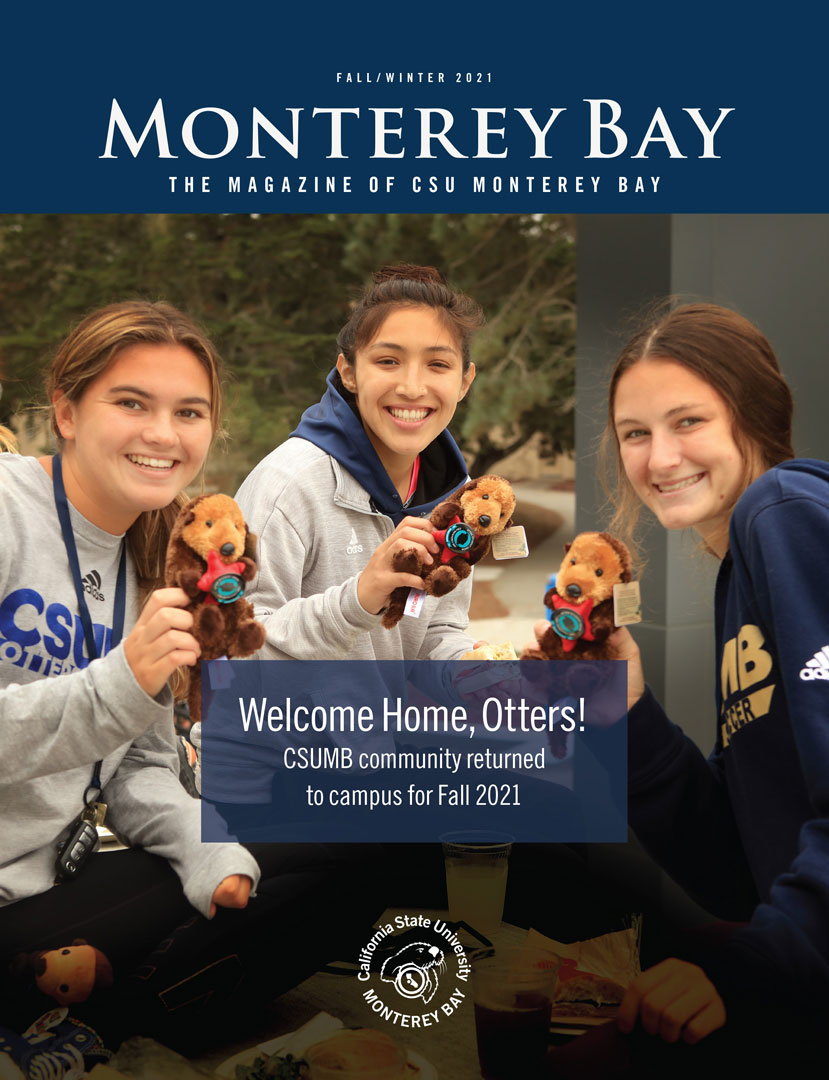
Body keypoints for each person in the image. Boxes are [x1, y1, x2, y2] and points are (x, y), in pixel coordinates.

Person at [0, 302, 380, 1057]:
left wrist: (204, 851)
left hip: (50, 887)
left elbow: (138, 768)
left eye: (189, 412)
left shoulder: (160, 556)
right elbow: (110, 698)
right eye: (131, 403)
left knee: (342, 851)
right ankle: (81, 1014)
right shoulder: (9, 508)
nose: (162, 434)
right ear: (67, 410)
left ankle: (64, 1011)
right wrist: (121, 679)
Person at [545, 302, 827, 1073]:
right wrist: (625, 708)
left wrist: (753, 966)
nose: (659, 458)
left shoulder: (785, 512)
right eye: (635, 433)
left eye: (688, 422)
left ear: (754, 415)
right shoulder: (742, 569)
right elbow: (740, 866)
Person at [234, 263, 483, 663]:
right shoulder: (287, 485)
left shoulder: (457, 501)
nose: (412, 387)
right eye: (388, 361)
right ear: (348, 372)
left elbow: (437, 631)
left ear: (464, 382)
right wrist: (357, 601)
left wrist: (468, 666)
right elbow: (232, 655)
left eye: (437, 364)